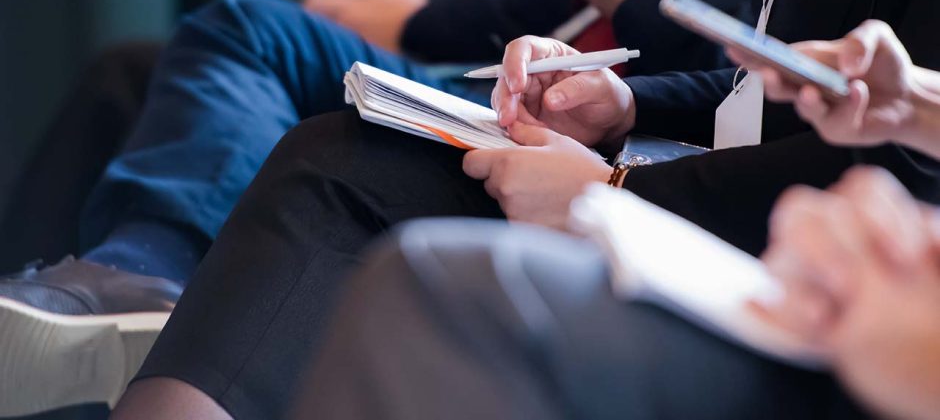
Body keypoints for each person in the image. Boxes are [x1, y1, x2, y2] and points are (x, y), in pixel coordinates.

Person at [105, 0, 940, 418]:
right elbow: (761, 88)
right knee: (321, 145)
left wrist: (617, 187)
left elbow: (894, 171)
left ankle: (143, 283)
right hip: (705, 188)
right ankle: (105, 289)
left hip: (789, 269)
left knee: (384, 214)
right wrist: (623, 106)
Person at [294, 22, 940, 420]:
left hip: (864, 336)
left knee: (446, 279)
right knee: (337, 146)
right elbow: (755, 94)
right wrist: (915, 103)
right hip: (803, 265)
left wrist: (618, 187)